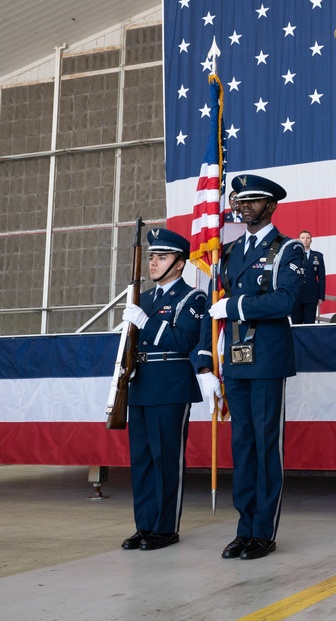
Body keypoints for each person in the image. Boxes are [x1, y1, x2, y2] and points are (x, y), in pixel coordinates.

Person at [196, 174, 305, 560]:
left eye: (253, 201)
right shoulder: (225, 252)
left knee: (265, 445)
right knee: (242, 447)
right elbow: (212, 310)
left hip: (267, 358)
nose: (243, 207)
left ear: (271, 205)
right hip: (236, 360)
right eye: (239, 201)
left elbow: (285, 301)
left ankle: (264, 531)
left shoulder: (288, 249)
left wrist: (236, 306)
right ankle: (244, 527)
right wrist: (206, 362)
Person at [120, 228, 206, 551]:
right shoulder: (143, 299)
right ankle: (145, 526)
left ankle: (166, 527)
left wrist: (147, 323)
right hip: (141, 382)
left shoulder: (192, 297)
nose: (154, 263)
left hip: (170, 384)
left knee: (166, 459)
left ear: (180, 264)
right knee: (141, 460)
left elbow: (185, 340)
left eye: (162, 257)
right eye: (153, 257)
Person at [291, 230, 325, 324]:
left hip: (311, 295)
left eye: (307, 238)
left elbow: (321, 277)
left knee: (309, 323)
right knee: (296, 323)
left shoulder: (318, 256)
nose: (305, 240)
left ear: (311, 240)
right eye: (303, 238)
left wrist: (321, 296)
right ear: (298, 240)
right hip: (296, 295)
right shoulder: (292, 256)